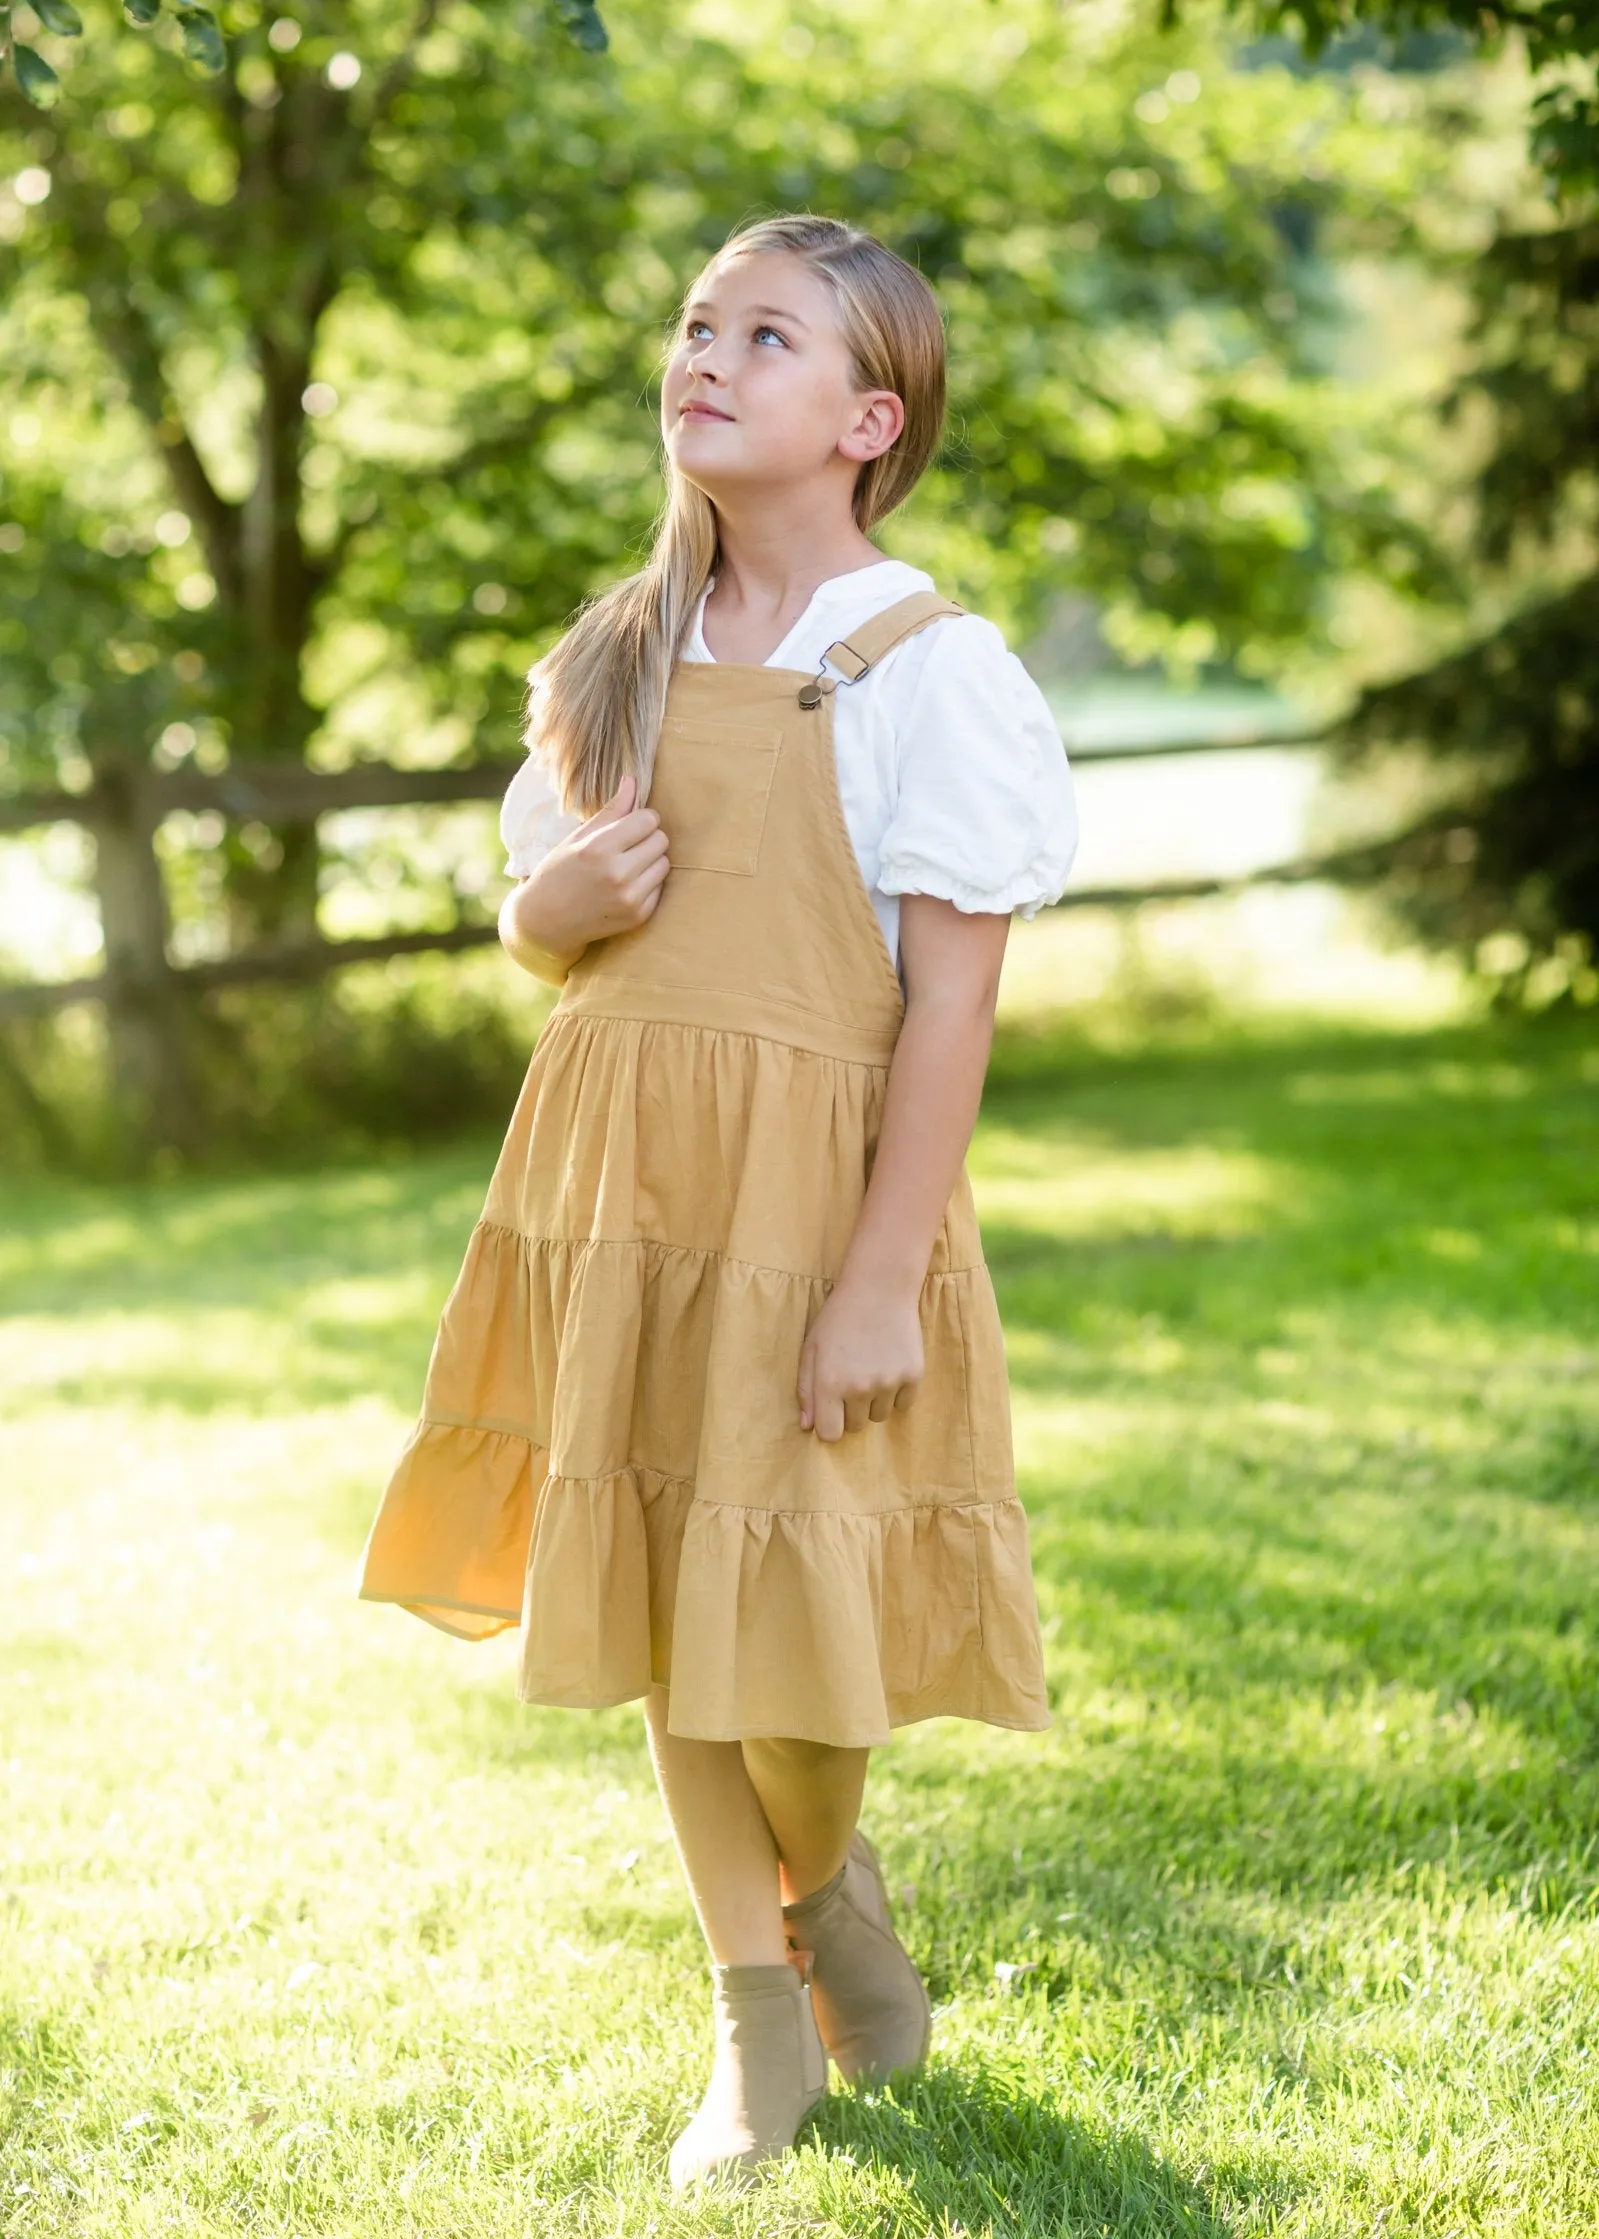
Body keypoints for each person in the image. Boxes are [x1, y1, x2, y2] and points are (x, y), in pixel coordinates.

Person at [356, 210, 1079, 2190]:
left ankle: (826, 1888)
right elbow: (548, 915)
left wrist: (877, 1281)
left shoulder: (924, 670)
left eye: (762, 336)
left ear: (864, 419)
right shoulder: (616, 652)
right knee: (675, 1599)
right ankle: (757, 2020)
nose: (704, 353)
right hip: (619, 1192)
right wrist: (542, 910)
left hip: (810, 1202)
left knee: (791, 1616)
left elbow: (951, 1001)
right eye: (694, 323)